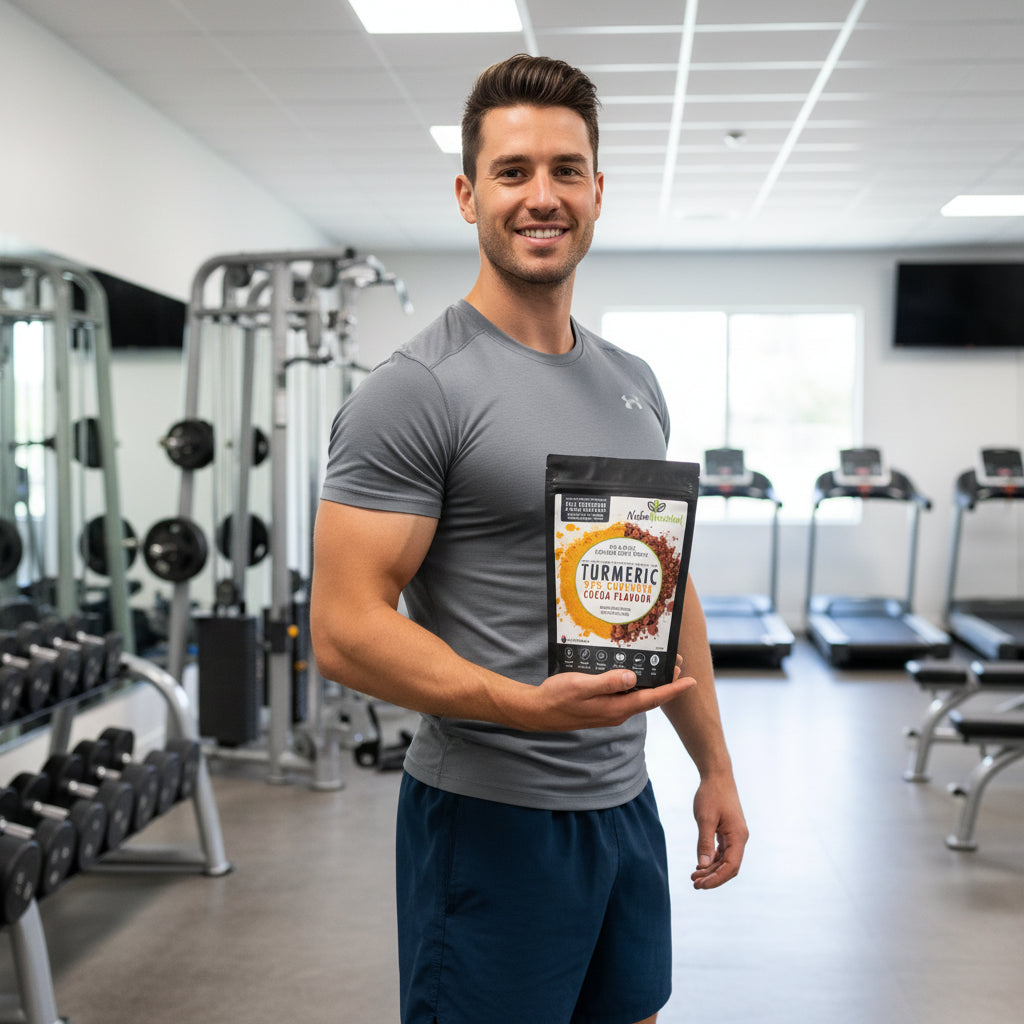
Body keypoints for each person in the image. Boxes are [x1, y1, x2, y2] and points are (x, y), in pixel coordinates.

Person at [311, 53, 747, 1024]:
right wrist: (524, 708)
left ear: (597, 191)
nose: (541, 196)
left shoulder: (634, 384)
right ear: (469, 195)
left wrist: (712, 766)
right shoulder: (417, 390)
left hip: (623, 805)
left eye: (565, 170)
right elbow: (342, 629)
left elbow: (665, 591)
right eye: (512, 172)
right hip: (490, 817)